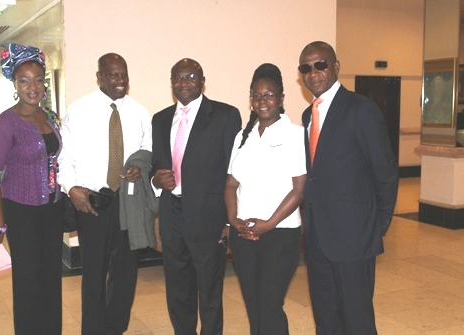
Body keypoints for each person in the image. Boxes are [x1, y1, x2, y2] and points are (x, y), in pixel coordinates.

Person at [299, 41, 399, 335]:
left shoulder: (361, 109)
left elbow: (386, 172)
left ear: (336, 67)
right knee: (326, 317)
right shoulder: (308, 116)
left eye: (321, 64)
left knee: (357, 320)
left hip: (354, 238)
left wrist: (377, 225)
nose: (313, 72)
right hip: (318, 238)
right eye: (306, 68)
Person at [57, 53, 152, 335]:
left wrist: (139, 166)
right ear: (99, 77)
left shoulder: (139, 113)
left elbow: (148, 152)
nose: (120, 80)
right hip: (92, 203)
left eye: (123, 74)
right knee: (94, 274)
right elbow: (64, 158)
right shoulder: (79, 110)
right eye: (113, 75)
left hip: (128, 202)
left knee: (125, 273)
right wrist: (71, 188)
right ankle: (94, 329)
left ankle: (115, 327)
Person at [150, 58, 242, 335]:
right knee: (178, 288)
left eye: (191, 77)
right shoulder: (161, 118)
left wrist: (229, 219)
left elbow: (233, 170)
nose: (184, 83)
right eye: (177, 78)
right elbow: (157, 163)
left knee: (210, 289)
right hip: (172, 215)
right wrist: (156, 179)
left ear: (203, 81)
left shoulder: (226, 115)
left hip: (208, 216)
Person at [0, 43, 64, 335]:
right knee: (29, 284)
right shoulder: (4, 125)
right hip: (21, 212)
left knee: (51, 279)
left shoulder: (51, 118)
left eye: (38, 79)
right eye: (25, 80)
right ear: (15, 84)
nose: (33, 86)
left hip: (52, 210)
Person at [224, 63, 306, 335]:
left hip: (280, 235)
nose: (263, 101)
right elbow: (230, 183)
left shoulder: (295, 134)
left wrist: (268, 224)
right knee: (254, 305)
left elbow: (299, 188)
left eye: (269, 95)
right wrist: (234, 221)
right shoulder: (242, 136)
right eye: (257, 95)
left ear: (281, 98)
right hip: (243, 235)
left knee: (270, 304)